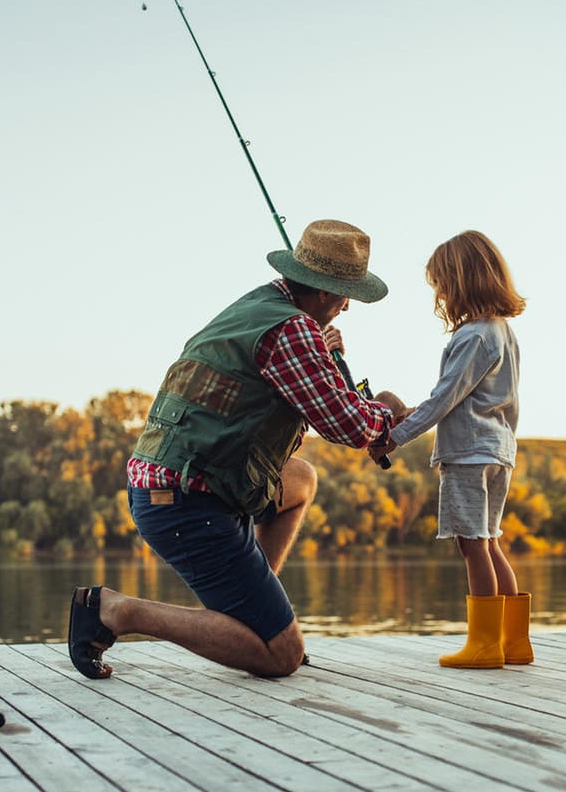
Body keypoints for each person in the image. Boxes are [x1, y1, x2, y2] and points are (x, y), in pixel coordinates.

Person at [66, 219, 396, 679]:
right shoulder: (293, 332)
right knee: (281, 658)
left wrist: (323, 356)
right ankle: (117, 612)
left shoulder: (260, 306)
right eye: (347, 296)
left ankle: (259, 614)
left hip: (181, 483)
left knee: (299, 479)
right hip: (187, 503)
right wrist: (388, 412)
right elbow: (348, 426)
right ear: (324, 291)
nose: (346, 307)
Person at [375, 230, 528, 668]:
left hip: (468, 455)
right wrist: (410, 412)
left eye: (441, 284)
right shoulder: (504, 334)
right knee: (490, 541)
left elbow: (445, 399)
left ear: (462, 281)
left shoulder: (474, 336)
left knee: (472, 545)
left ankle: (484, 645)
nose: (440, 294)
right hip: (498, 452)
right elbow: (468, 398)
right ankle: (514, 643)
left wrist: (396, 437)